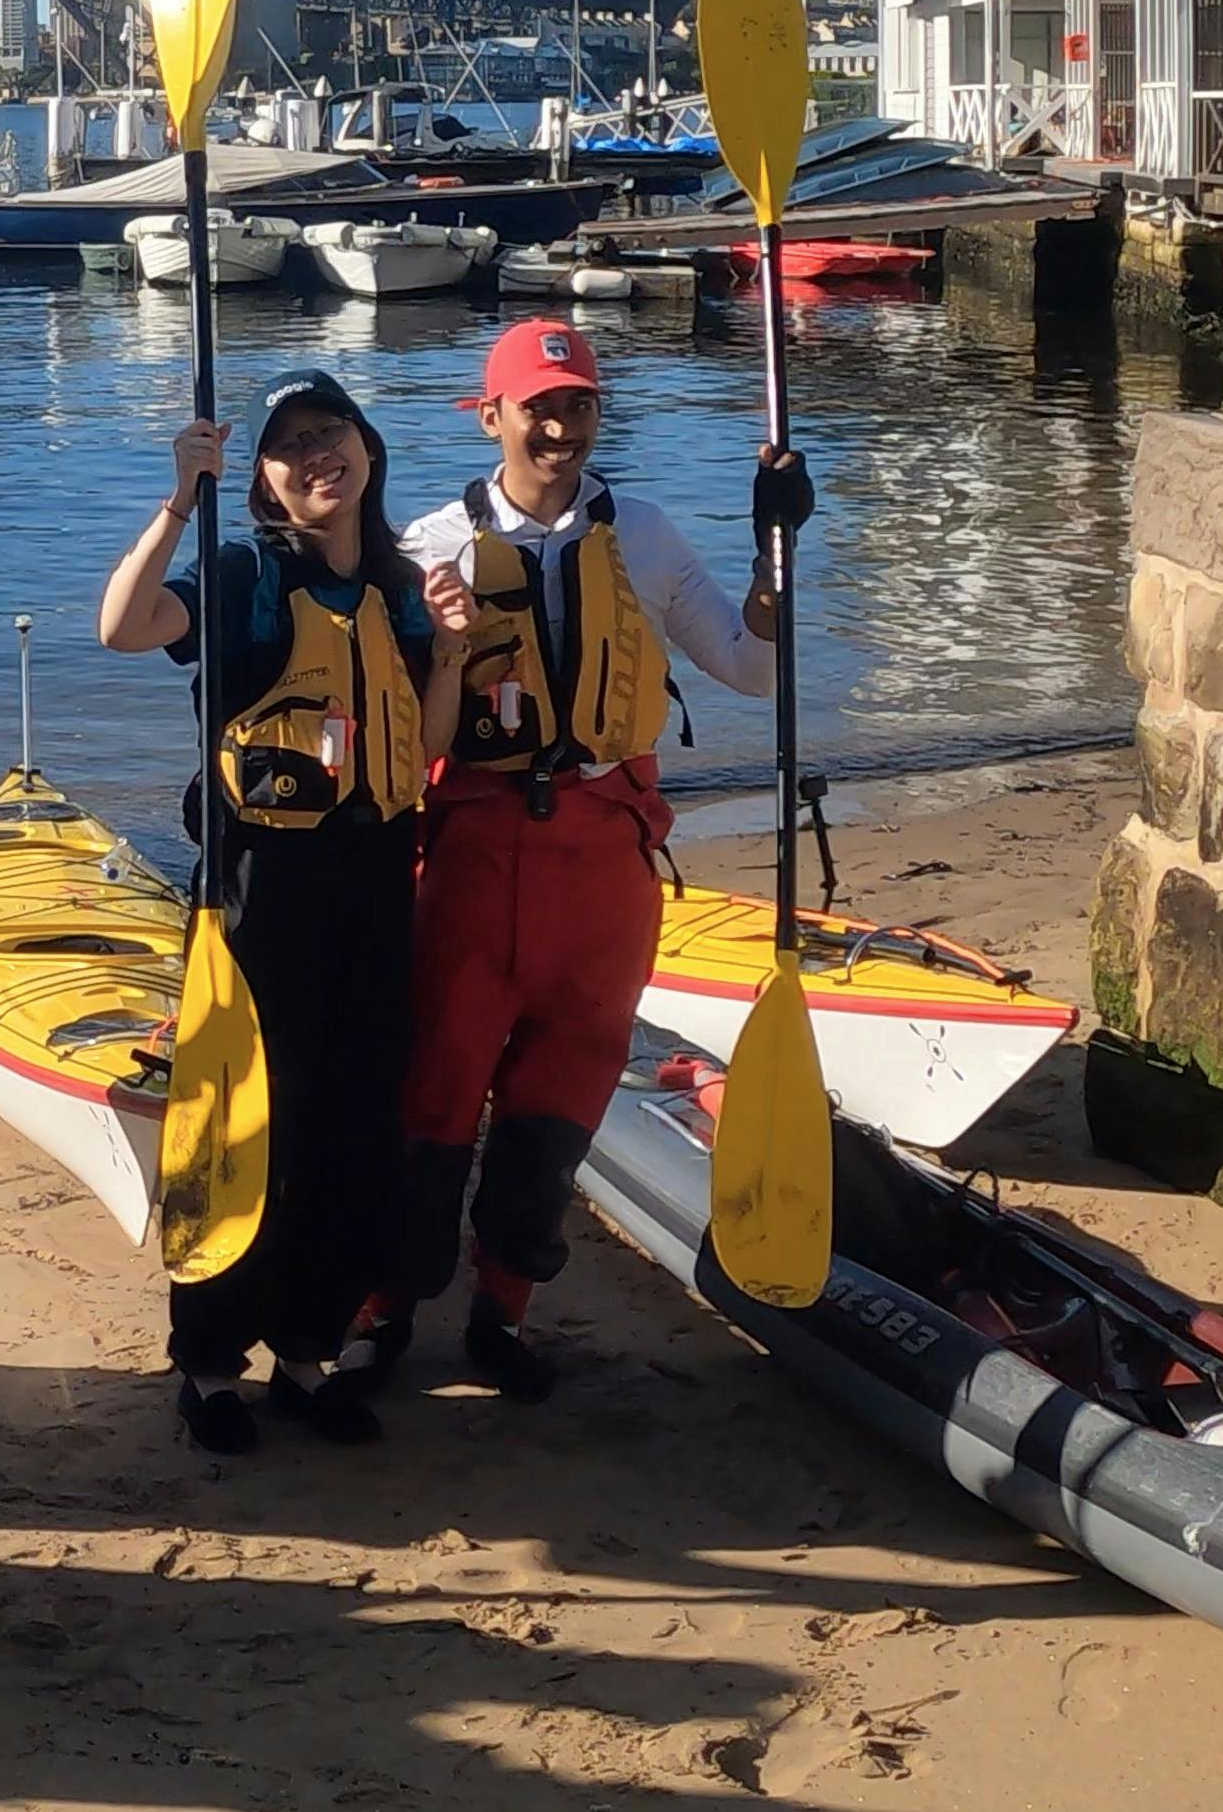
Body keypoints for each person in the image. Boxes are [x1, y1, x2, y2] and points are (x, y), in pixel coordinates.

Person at [366, 319, 798, 1404]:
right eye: (537, 408)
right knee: (430, 1094)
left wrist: (772, 554)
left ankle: (501, 1310)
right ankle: (383, 1309)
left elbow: (752, 667)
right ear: (491, 417)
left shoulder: (641, 536)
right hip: (471, 849)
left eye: (577, 407)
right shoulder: (426, 548)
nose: (557, 427)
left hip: (603, 858)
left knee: (557, 1100)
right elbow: (383, 727)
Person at [92, 373, 470, 1454]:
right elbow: (119, 626)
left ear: (363, 447)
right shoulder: (239, 574)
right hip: (261, 896)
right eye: (287, 446)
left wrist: (446, 646)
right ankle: (208, 1365)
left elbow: (429, 740)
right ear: (258, 477)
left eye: (328, 434)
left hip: (370, 886)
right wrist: (177, 498)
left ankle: (305, 1355)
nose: (315, 457)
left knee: (351, 1135)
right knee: (250, 1125)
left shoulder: (399, 585)